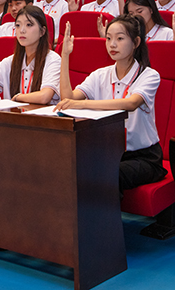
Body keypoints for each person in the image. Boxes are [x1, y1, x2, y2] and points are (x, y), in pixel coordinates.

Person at [56, 15, 166, 192]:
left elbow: (130, 103)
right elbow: (67, 98)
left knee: (106, 174)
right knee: (69, 167)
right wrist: (65, 55)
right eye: (108, 38)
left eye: (120, 39)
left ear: (136, 42)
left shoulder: (149, 75)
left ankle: (106, 212)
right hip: (108, 153)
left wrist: (83, 104)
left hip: (143, 157)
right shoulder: (100, 75)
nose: (112, 44)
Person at [0, 6, 61, 104]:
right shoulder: (9, 62)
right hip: (14, 113)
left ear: (42, 31)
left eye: (29, 25)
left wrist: (18, 97)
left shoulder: (53, 59)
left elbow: (44, 97)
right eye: (18, 25)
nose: (22, 30)